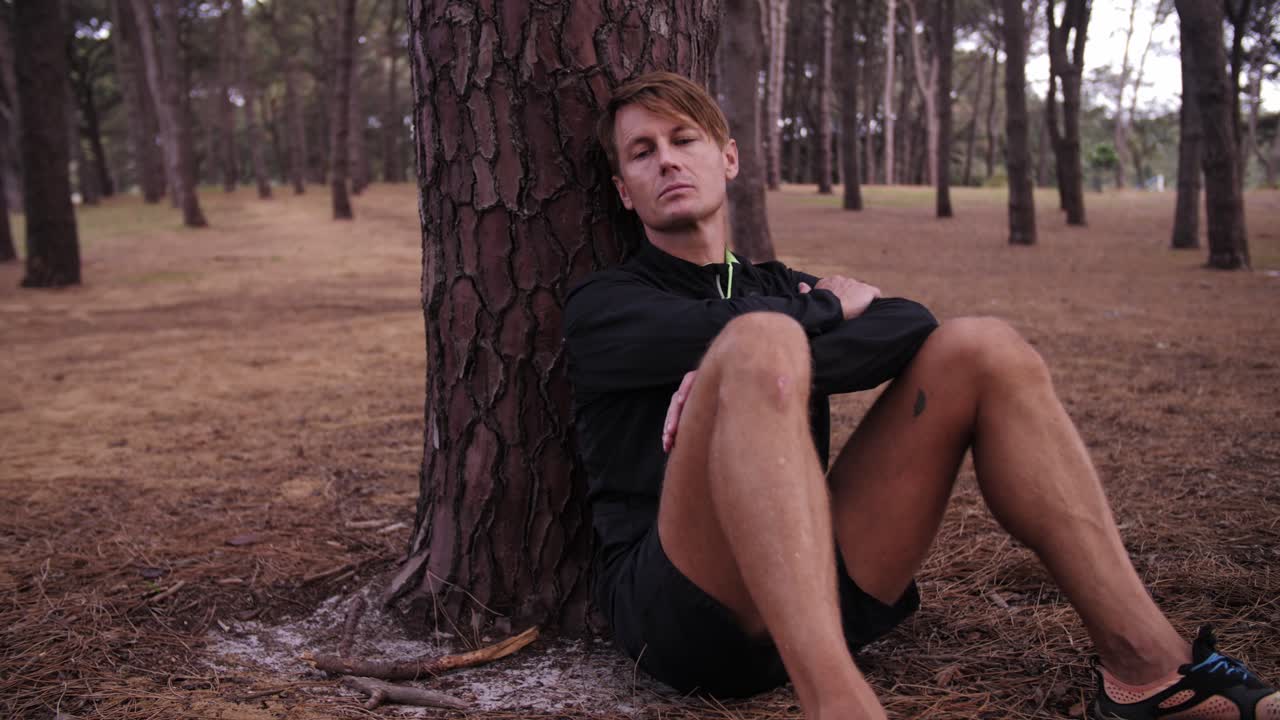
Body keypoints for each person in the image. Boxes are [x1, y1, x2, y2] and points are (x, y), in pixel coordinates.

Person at [561, 71, 1277, 720]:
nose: (666, 160)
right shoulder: (606, 304)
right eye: (642, 152)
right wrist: (765, 344)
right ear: (625, 189)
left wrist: (757, 352)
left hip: (820, 585)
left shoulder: (773, 287)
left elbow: (908, 323)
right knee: (756, 341)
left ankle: (1149, 670)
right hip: (686, 613)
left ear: (729, 159)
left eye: (684, 139)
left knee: (981, 347)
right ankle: (839, 707)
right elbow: (781, 325)